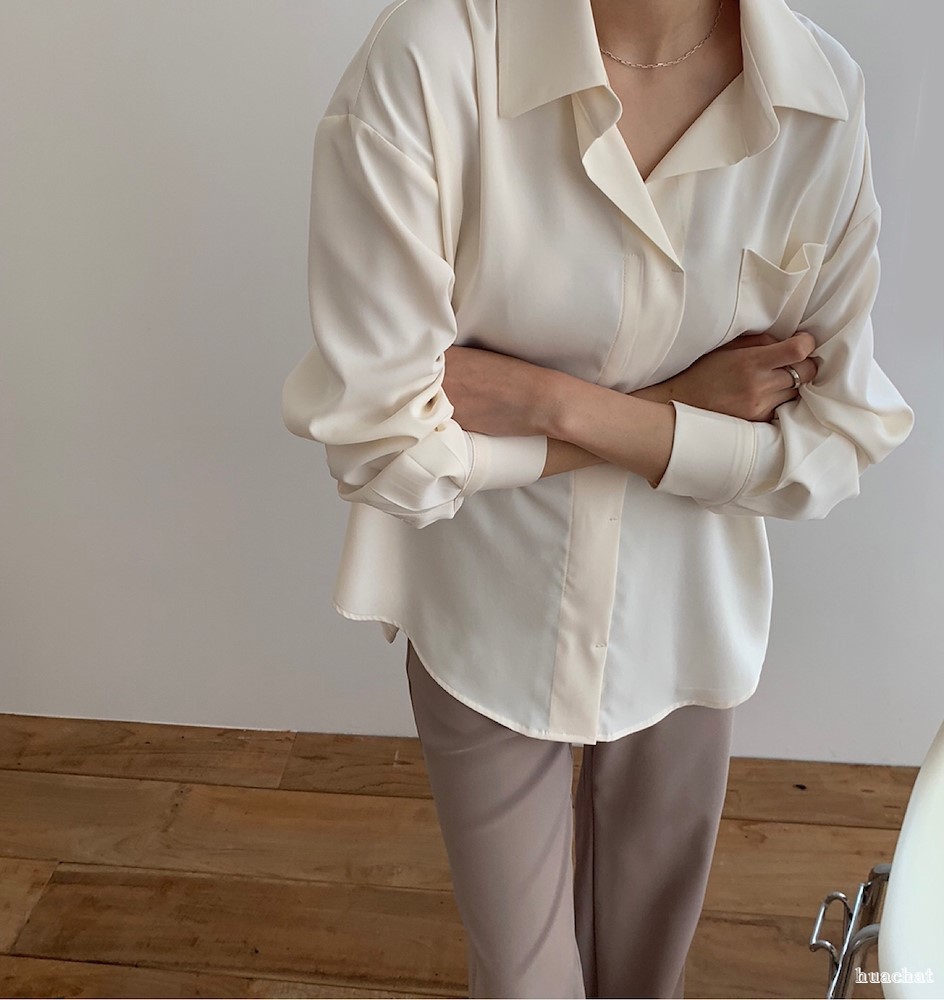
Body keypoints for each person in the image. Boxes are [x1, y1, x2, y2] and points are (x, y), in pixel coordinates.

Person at [281, 0, 914, 995]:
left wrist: (551, 404)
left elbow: (834, 443)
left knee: (644, 974)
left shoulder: (818, 98)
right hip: (484, 599)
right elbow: (383, 444)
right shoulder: (435, 59)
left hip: (685, 607)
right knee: (523, 979)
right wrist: (682, 407)